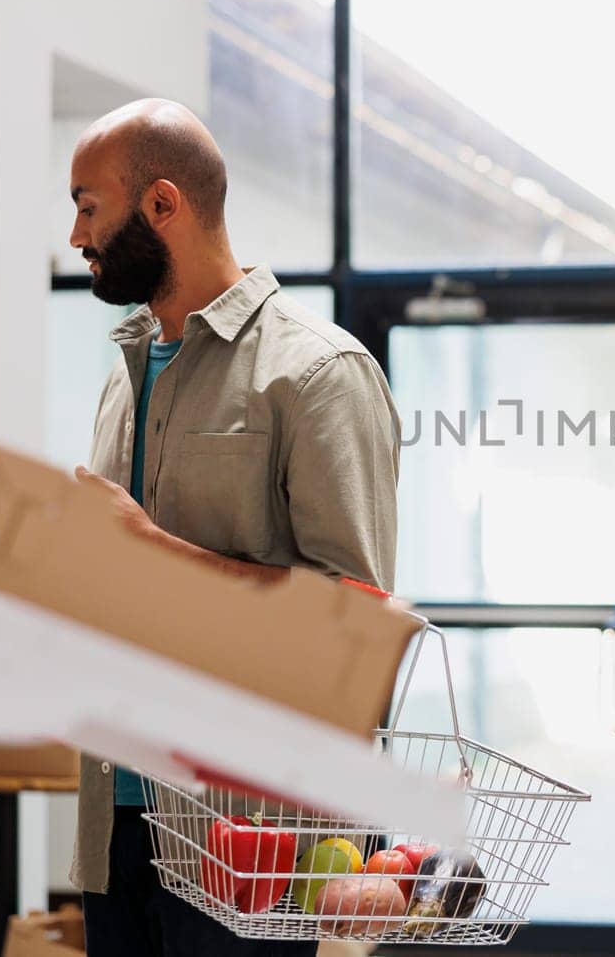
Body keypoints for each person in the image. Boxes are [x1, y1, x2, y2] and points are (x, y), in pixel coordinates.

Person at [65, 98, 399, 955]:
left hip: (247, 836)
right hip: (119, 817)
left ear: (162, 205)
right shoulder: (125, 370)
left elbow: (355, 626)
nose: (75, 235)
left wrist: (146, 550)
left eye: (88, 204)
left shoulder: (320, 373)